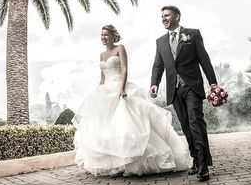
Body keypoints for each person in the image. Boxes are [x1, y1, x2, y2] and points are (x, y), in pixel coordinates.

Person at [73, 24, 191, 176]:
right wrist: (97, 93)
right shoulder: (102, 55)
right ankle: (114, 165)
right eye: (101, 35)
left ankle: (132, 164)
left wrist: (122, 89)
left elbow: (124, 69)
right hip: (106, 91)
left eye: (106, 35)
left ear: (113, 36)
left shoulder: (120, 48)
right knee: (108, 129)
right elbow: (102, 77)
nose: (103, 37)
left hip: (119, 88)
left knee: (126, 126)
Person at [150, 6, 217, 181]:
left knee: (196, 123)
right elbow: (158, 65)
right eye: (162, 16)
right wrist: (154, 84)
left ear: (177, 16)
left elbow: (204, 60)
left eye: (167, 15)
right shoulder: (160, 42)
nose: (163, 18)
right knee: (186, 126)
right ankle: (195, 159)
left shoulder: (192, 34)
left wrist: (213, 83)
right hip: (174, 89)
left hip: (192, 86)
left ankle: (203, 165)